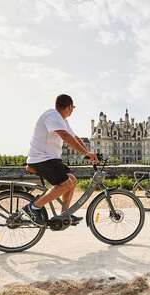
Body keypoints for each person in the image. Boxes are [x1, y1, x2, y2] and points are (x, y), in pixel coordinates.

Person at [22, 94, 98, 225]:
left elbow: (74, 137)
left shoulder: (62, 120)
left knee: (72, 180)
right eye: (73, 107)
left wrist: (88, 152)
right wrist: (85, 152)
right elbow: (65, 136)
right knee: (66, 184)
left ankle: (65, 214)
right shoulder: (52, 116)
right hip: (42, 159)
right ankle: (32, 208)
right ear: (69, 107)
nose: (73, 110)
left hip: (51, 159)